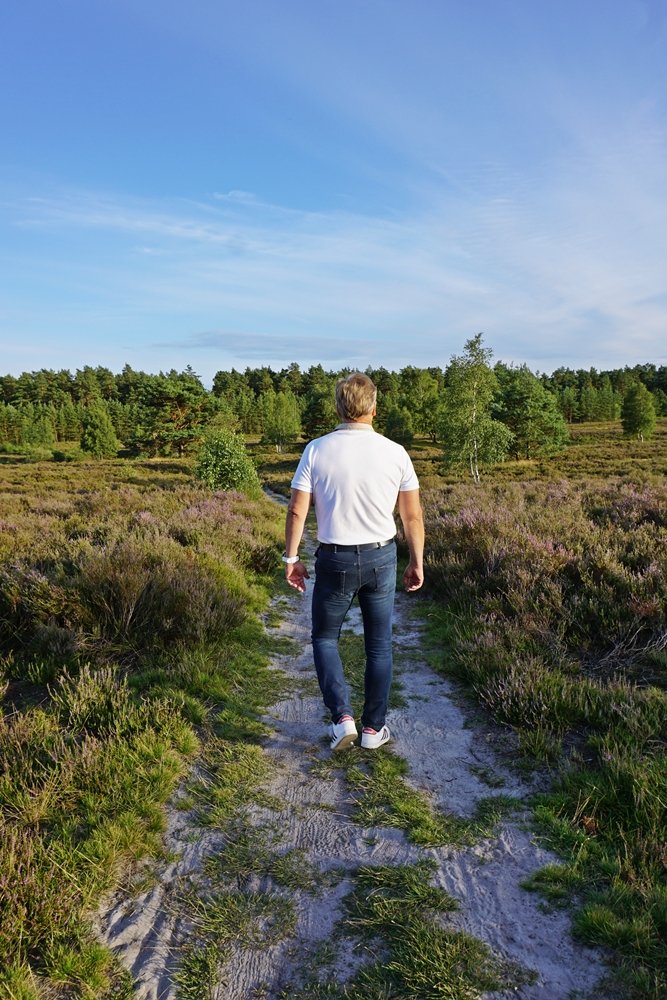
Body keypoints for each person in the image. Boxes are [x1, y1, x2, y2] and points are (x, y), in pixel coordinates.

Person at [283, 372, 424, 752]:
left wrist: (292, 559)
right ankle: (373, 730)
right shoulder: (396, 452)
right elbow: (412, 517)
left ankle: (342, 718)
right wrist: (417, 561)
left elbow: (297, 511)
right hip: (381, 557)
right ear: (374, 409)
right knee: (379, 645)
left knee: (325, 638)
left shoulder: (317, 449)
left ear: (338, 407)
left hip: (334, 559)